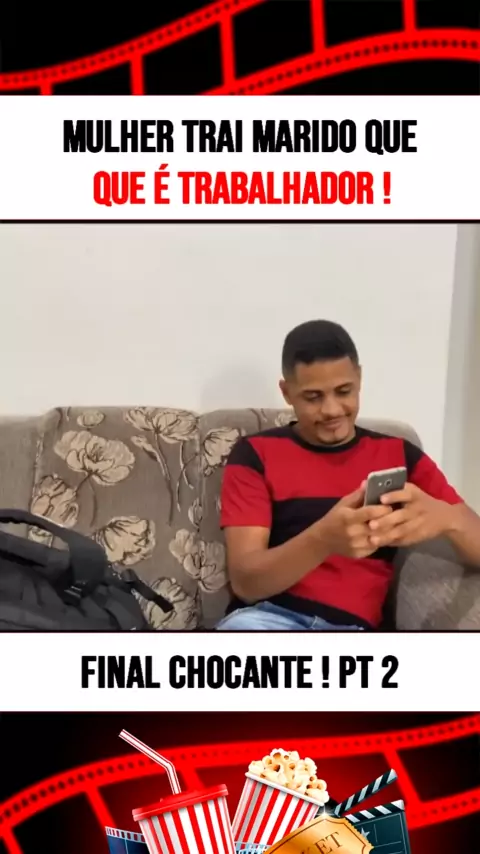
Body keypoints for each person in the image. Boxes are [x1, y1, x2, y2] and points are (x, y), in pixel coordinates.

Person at [216, 319, 480, 631]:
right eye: (313, 397)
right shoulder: (254, 454)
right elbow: (246, 582)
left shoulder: (400, 454)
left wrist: (448, 518)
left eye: (344, 391)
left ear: (359, 378)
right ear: (287, 392)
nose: (332, 410)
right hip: (268, 618)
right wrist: (323, 539)